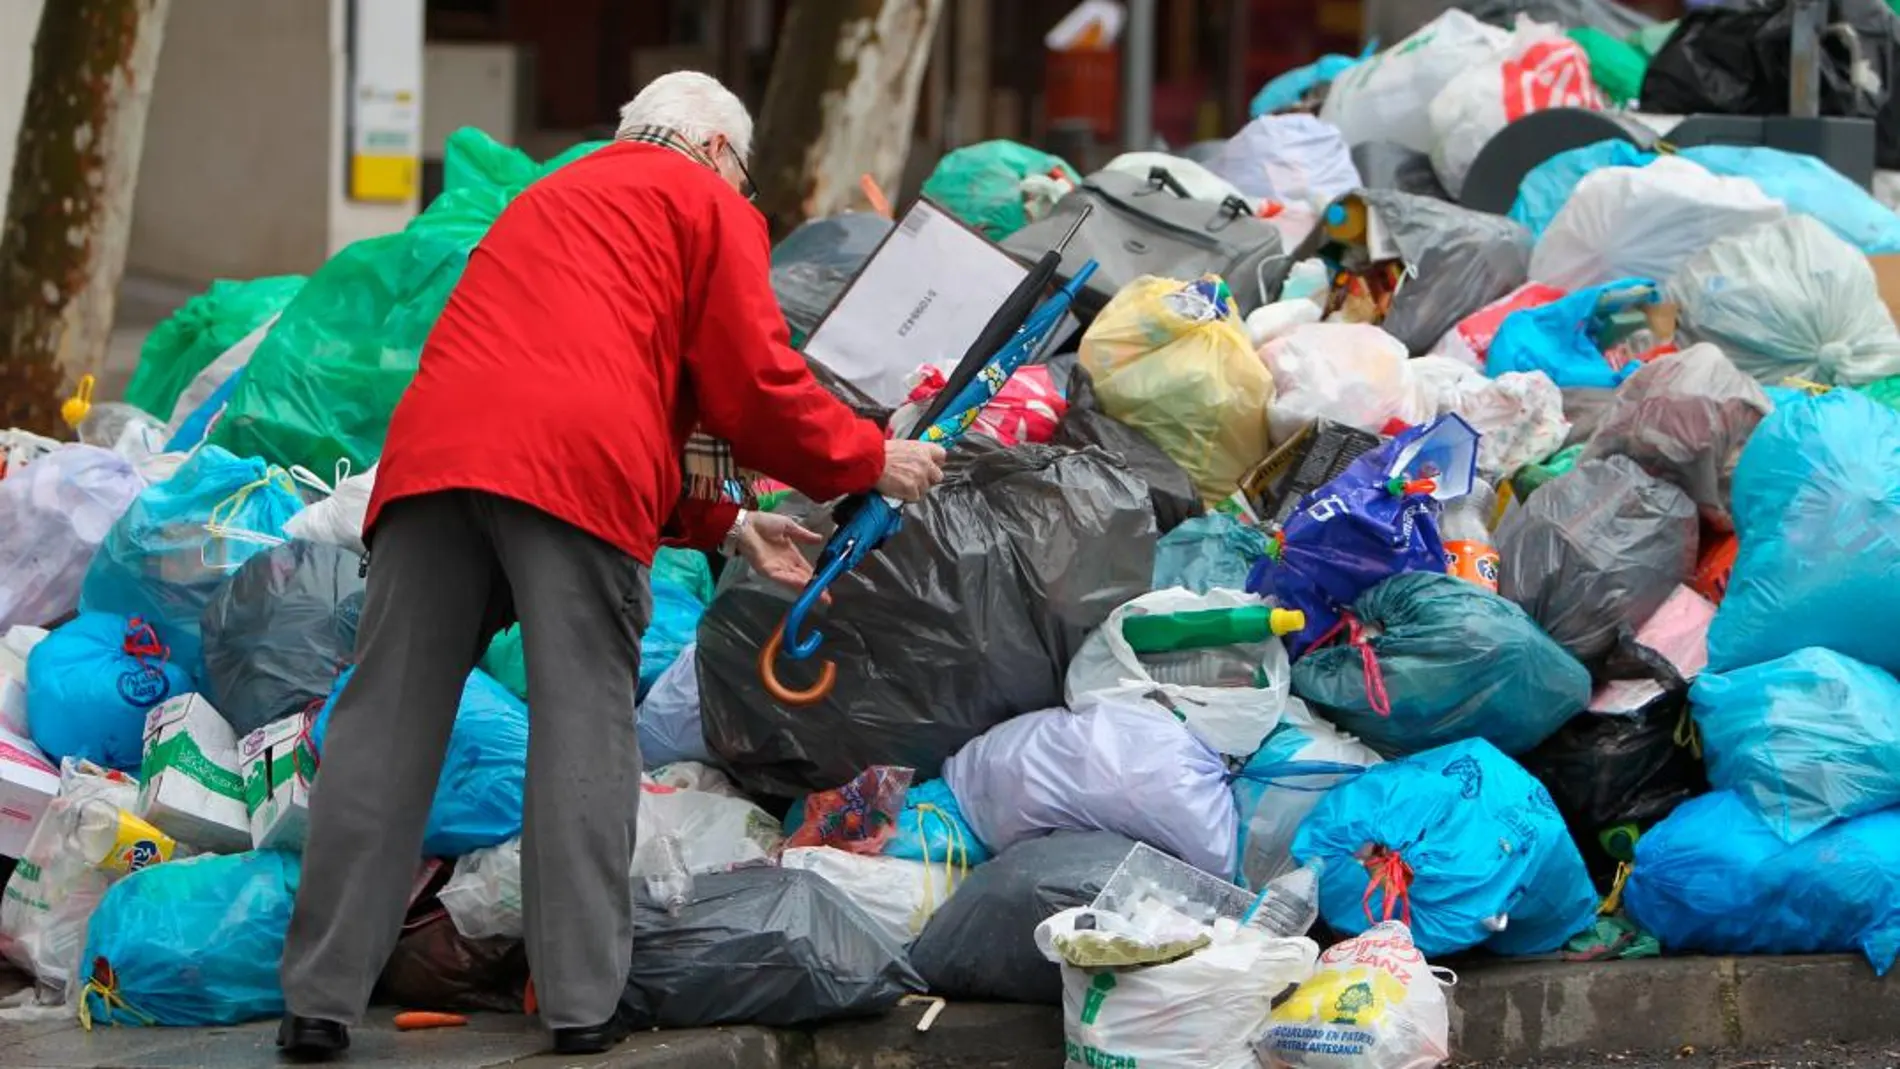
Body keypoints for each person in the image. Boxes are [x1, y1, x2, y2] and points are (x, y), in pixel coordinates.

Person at [275, 71, 946, 1060]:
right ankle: (583, 1001)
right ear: (717, 151)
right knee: (582, 722)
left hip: (430, 460)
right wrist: (866, 457)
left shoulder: (550, 194)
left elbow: (581, 367)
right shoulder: (705, 203)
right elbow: (752, 388)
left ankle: (319, 1000)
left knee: (383, 723)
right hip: (573, 472)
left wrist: (724, 527)